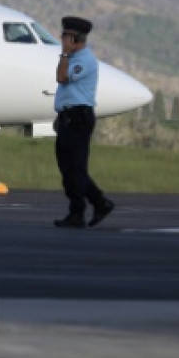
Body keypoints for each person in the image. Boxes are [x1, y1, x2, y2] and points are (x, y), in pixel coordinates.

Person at [52, 16, 115, 228]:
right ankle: (98, 203)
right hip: (68, 117)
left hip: (79, 117)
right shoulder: (73, 58)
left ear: (75, 38)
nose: (62, 39)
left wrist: (64, 54)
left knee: (75, 167)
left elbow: (61, 77)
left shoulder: (84, 60)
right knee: (68, 167)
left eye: (65, 36)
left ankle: (79, 211)